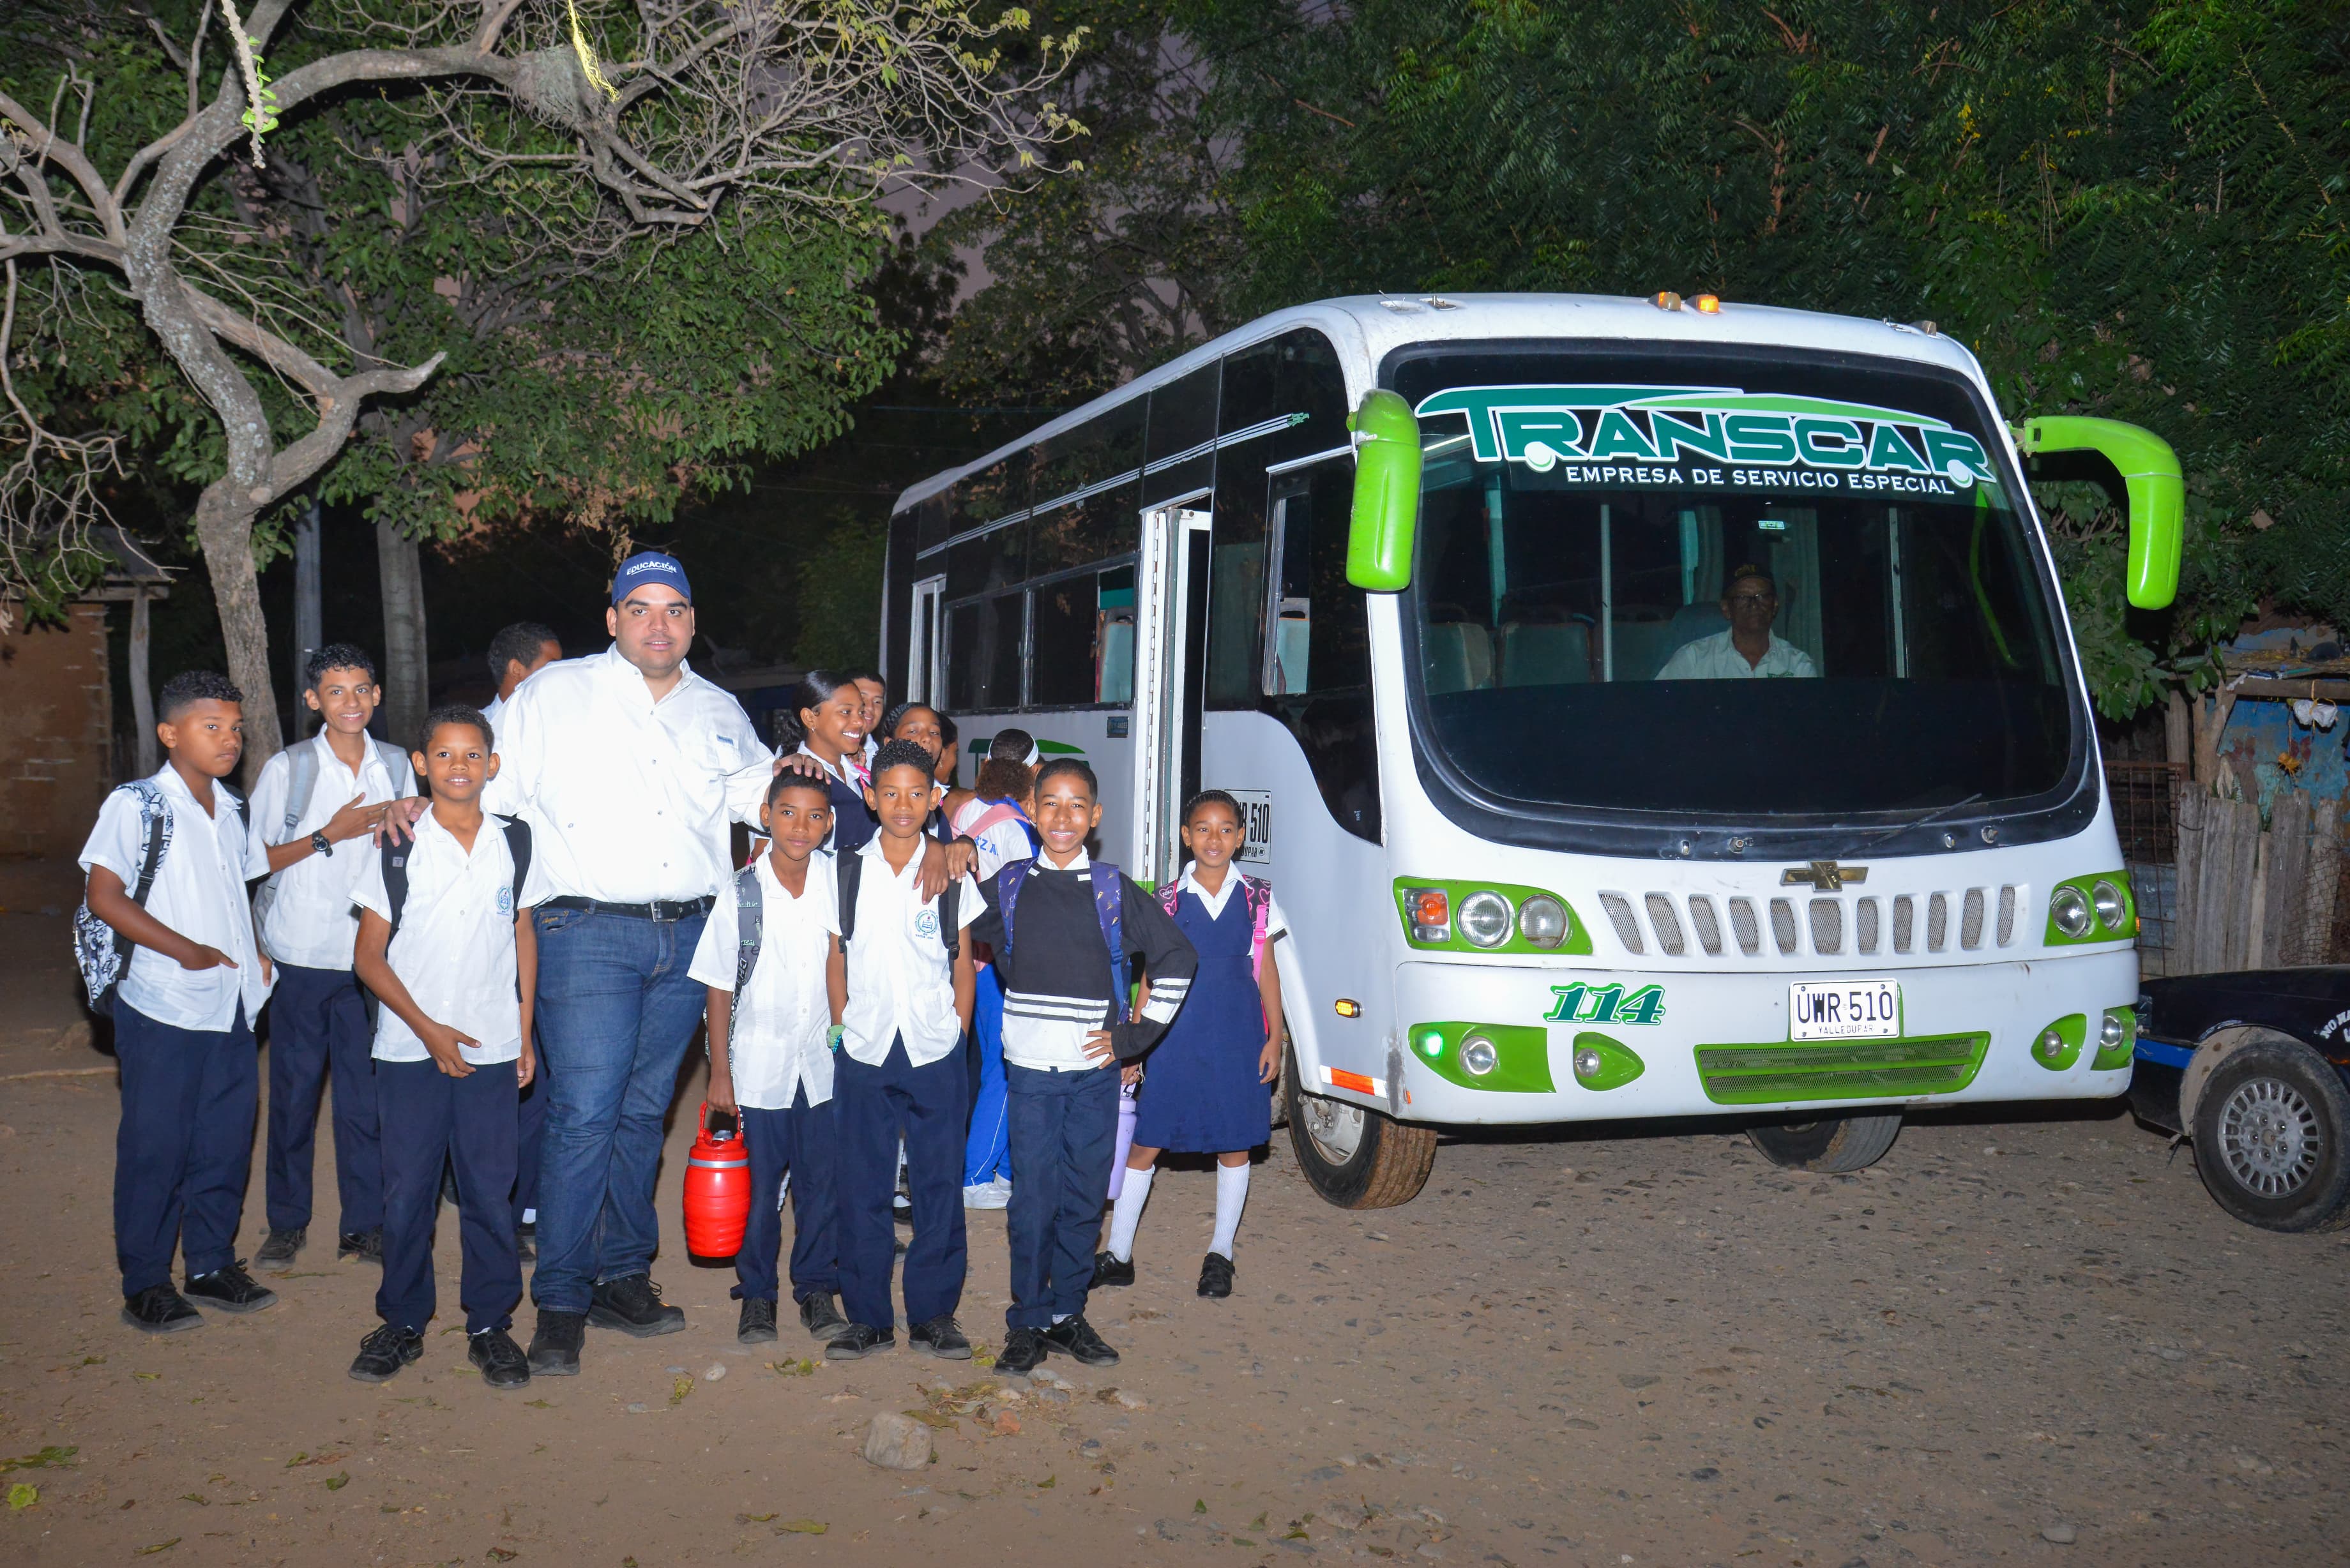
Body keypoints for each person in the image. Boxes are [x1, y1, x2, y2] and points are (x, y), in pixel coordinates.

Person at [480, 550, 769, 1376]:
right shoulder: (552, 694)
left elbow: (768, 805)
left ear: (691, 621)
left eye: (674, 609)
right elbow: (486, 794)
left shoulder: (718, 709)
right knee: (585, 1115)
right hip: (586, 934)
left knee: (644, 1116)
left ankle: (621, 1275)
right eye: (639, 608)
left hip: (689, 939)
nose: (658, 623)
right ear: (612, 619)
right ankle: (562, 1299)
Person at [965, 757, 1196, 1375]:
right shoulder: (1010, 884)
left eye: (1076, 805)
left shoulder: (1112, 889)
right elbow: (948, 920)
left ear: (1094, 817)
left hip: (1094, 1075)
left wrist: (1133, 1036)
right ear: (1032, 811)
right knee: (1031, 1198)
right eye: (1050, 803)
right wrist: (953, 849)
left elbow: (1177, 954)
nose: (1062, 816)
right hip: (1032, 1076)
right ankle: (1030, 1319)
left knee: (1083, 1196)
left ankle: (1068, 1311)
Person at [347, 706, 548, 1389]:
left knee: (491, 1193)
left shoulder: (513, 842)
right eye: (444, 754)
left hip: (492, 1047)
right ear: (421, 764)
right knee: (407, 1191)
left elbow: (522, 932)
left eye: (472, 755)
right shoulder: (398, 844)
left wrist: (523, 1034)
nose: (458, 765)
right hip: (408, 1048)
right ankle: (402, 1319)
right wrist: (427, 1027)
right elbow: (368, 957)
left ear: (491, 765)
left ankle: (490, 1323)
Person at [79, 671, 278, 1333]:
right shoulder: (136, 804)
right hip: (164, 999)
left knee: (224, 1137)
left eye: (235, 727)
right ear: (170, 733)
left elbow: (236, 889)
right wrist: (185, 948)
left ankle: (211, 1262)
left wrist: (255, 951)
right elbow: (104, 896)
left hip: (230, 1002)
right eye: (211, 726)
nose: (229, 739)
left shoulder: (232, 807)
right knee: (156, 1143)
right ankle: (145, 1280)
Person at [248, 644, 416, 1269]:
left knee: (364, 1100)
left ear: (376, 695)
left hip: (369, 961)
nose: (351, 701)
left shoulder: (397, 765)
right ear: (314, 699)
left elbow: (408, 855)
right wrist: (331, 834)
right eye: (336, 691)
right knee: (292, 1096)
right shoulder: (289, 768)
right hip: (300, 953)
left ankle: (364, 1225)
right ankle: (286, 1222)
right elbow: (254, 859)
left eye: (361, 689)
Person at [826, 740, 983, 1361]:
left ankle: (933, 1313)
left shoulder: (947, 872)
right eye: (889, 791)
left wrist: (957, 1032)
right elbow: (835, 955)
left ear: (934, 799)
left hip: (933, 1046)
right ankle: (867, 1316)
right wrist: (841, 1028)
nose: (902, 804)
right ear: (870, 795)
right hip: (864, 1047)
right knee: (861, 1184)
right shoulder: (843, 871)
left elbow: (963, 961)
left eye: (917, 792)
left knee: (938, 1184)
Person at [1096, 790, 1287, 1299]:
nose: (1214, 838)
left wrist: (1276, 1036)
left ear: (1241, 838)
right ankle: (1118, 1254)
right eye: (1203, 828)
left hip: (1237, 1032)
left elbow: (1266, 970)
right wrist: (1134, 1045)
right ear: (1186, 836)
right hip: (1175, 1035)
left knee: (1234, 1142)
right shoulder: (1165, 901)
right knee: (1146, 1142)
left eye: (1226, 829)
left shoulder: (1259, 897)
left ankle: (1221, 1253)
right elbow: (1150, 980)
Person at [689, 773, 849, 1346]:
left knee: (821, 1184)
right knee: (757, 1191)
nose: (799, 827)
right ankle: (757, 1295)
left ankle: (816, 1289)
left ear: (829, 823)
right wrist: (721, 1072)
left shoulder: (840, 882)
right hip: (758, 1066)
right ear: (765, 814)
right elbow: (717, 986)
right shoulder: (742, 892)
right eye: (787, 813)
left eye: (813, 816)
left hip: (825, 1067)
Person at [480, 628, 561, 1259]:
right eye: (548, 668)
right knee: (498, 1065)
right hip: (491, 916)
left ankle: (529, 1200)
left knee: (543, 1068)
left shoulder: (569, 726)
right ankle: (492, 1201)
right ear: (514, 670)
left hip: (551, 913)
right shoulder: (471, 735)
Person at [951, 732, 1041, 1209]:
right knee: (1004, 1069)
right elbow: (1022, 903)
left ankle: (1004, 1169)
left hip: (971, 955)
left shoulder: (968, 812)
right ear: (1034, 768)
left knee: (995, 1061)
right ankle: (977, 1175)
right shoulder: (1018, 827)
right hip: (1000, 961)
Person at [1654, 564, 1818, 679]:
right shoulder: (1694, 659)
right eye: (1742, 598)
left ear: (1775, 605)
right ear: (1726, 608)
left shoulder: (1798, 665)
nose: (1754, 605)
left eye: (1762, 596)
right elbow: (1661, 708)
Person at [777, 670, 877, 852]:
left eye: (861, 712)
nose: (859, 722)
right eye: (846, 712)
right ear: (810, 718)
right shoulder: (793, 778)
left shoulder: (861, 775)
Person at [482, 622, 562, 744]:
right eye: (551, 666)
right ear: (516, 670)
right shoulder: (475, 732)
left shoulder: (564, 722)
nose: (560, 674)